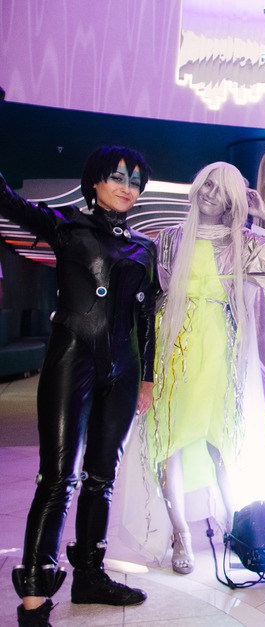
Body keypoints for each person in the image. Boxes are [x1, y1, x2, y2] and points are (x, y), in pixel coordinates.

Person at [1, 146, 156, 626]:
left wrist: (148, 377)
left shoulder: (144, 246)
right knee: (57, 478)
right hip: (72, 361)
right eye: (118, 177)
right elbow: (9, 202)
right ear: (94, 182)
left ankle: (90, 574)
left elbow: (146, 318)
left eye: (135, 181)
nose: (128, 187)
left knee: (101, 477)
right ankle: (34, 599)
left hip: (124, 370)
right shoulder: (67, 226)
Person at [141, 162, 265, 576]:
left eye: (222, 188)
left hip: (219, 350)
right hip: (172, 347)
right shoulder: (170, 239)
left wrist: (262, 213)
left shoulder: (242, 242)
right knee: (169, 442)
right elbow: (150, 297)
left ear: (233, 200)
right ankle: (180, 533)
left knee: (221, 442)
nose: (211, 192)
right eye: (208, 183)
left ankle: (236, 527)